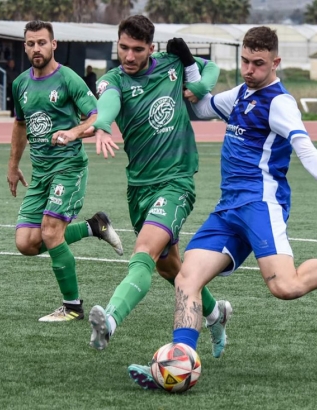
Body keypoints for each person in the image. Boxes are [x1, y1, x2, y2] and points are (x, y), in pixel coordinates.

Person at [127, 26, 317, 390]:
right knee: (186, 278)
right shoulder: (241, 93)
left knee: (287, 286)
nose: (249, 70)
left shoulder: (279, 103)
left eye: (258, 64)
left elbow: (305, 148)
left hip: (262, 205)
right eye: (245, 61)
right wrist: (188, 65)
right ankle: (179, 362)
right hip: (228, 209)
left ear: (275, 62)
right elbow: (201, 107)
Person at [80, 15, 232, 358]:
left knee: (144, 252)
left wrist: (199, 86)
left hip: (176, 183)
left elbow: (210, 70)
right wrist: (102, 125)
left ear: (151, 48)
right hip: (139, 188)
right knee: (171, 269)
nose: (129, 57)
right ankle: (215, 314)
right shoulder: (111, 80)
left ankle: (111, 321)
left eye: (137, 49)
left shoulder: (172, 64)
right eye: (123, 48)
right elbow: (108, 104)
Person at [7, 20, 124, 322]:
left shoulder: (69, 78)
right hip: (41, 173)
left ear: (53, 44)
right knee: (26, 243)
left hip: (68, 167)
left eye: (42, 42)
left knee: (49, 231)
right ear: (25, 46)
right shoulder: (20, 83)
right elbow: (20, 125)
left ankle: (72, 306)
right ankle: (93, 226)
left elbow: (97, 116)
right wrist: (13, 165)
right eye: (31, 43)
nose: (36, 48)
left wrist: (74, 132)